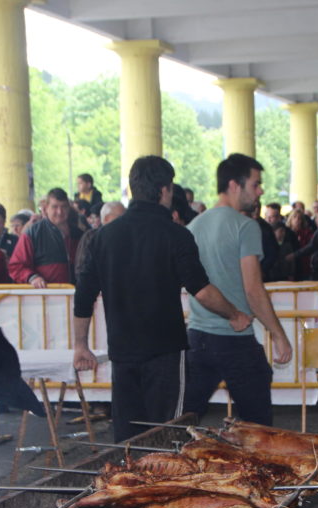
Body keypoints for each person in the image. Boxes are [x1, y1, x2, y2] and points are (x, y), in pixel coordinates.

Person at [74, 156, 250, 441]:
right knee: (166, 435)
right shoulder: (175, 235)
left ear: (133, 188)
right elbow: (202, 291)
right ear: (165, 189)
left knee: (128, 438)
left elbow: (83, 296)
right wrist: (235, 314)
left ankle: (128, 472)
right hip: (164, 351)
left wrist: (81, 345)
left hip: (122, 351)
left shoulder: (102, 238)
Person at [184, 153, 293, 425]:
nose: (260, 191)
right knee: (258, 428)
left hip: (197, 338)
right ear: (234, 185)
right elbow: (253, 290)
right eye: (255, 184)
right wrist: (278, 334)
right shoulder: (246, 227)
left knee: (183, 422)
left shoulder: (193, 227)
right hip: (235, 339)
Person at [8, 187, 83, 287]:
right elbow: (16, 266)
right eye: (55, 207)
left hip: (76, 293)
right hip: (44, 294)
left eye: (64, 207)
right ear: (46, 208)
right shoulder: (33, 233)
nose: (59, 212)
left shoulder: (79, 234)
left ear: (69, 208)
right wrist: (32, 277)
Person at [75, 201, 125, 275]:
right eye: (120, 217)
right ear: (106, 218)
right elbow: (81, 268)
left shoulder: (126, 237)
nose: (124, 221)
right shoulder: (91, 236)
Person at [286, 209, 314, 280]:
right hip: (289, 266)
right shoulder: (286, 233)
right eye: (294, 217)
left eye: (299, 218)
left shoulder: (307, 233)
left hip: (303, 266)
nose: (297, 220)